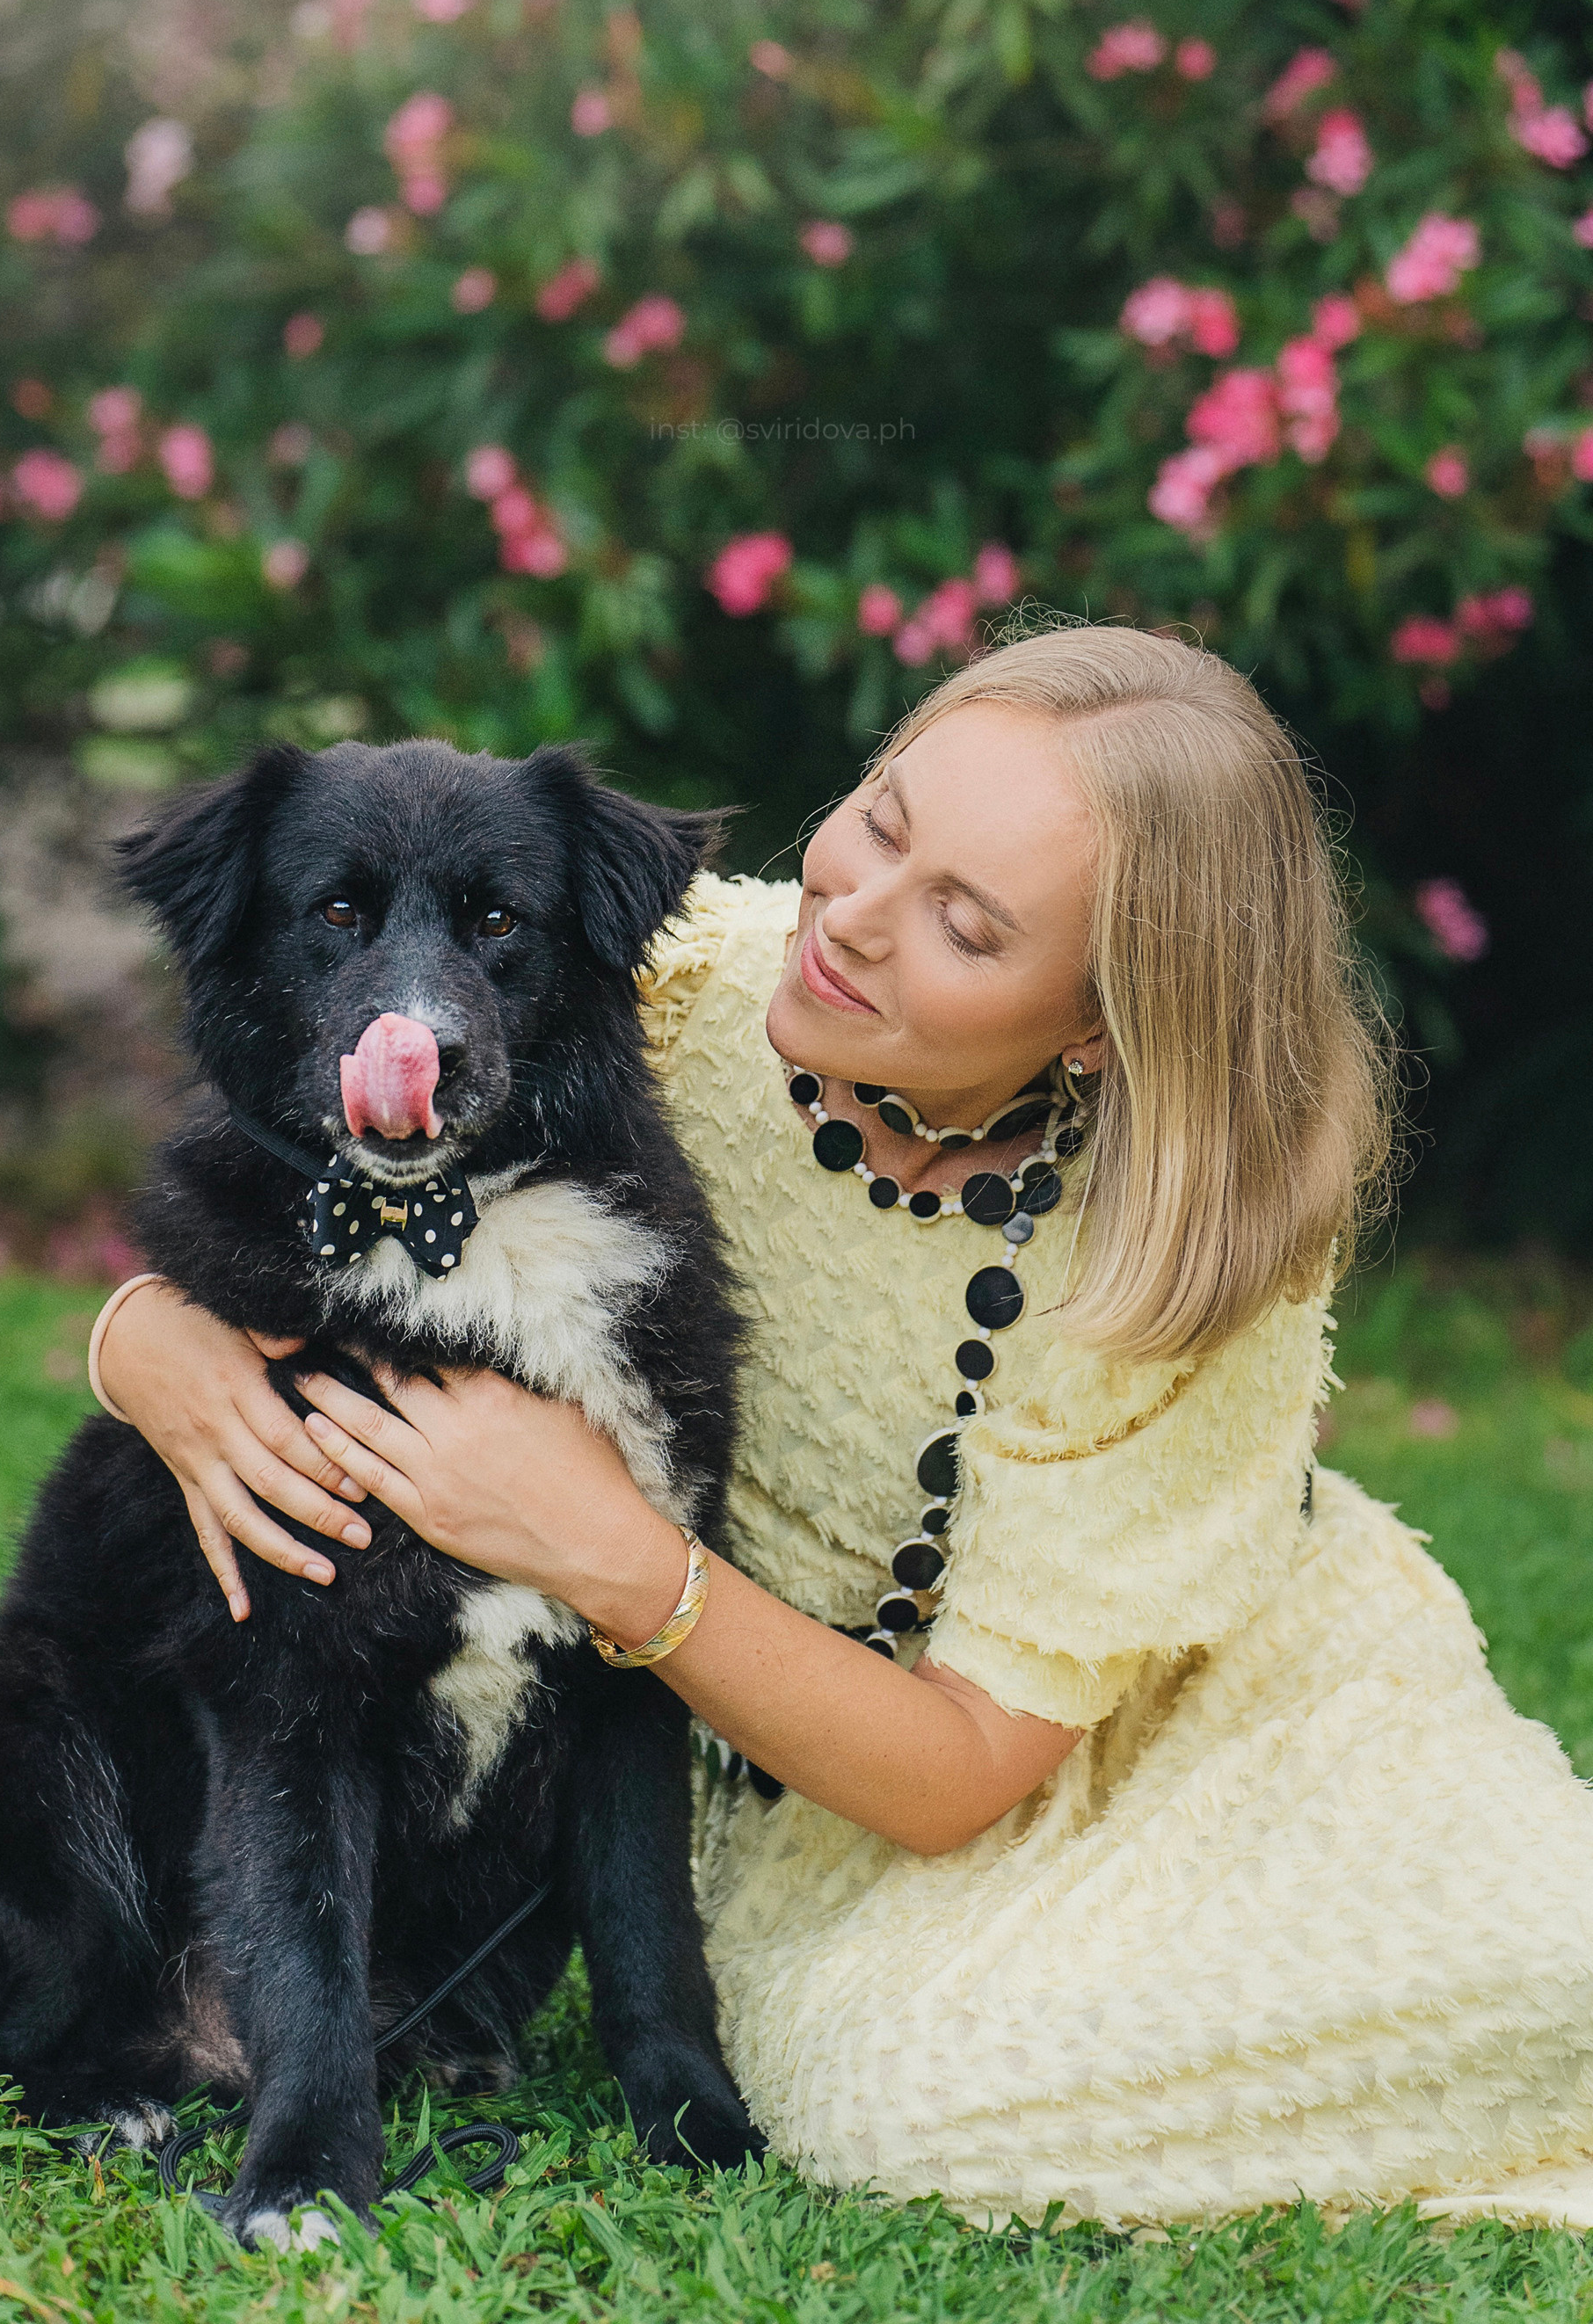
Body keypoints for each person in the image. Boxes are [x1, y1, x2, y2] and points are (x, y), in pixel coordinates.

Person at [91, 626, 1593, 2228]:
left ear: (1097, 1021)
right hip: (787, 1757)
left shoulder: (1189, 1248)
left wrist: (614, 1558)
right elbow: (297, 1160)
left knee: (1530, 1968)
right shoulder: (685, 978)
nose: (856, 923)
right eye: (880, 822)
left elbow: (961, 1769)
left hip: (1129, 1738)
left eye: (965, 922)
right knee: (915, 2098)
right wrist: (154, 1344)